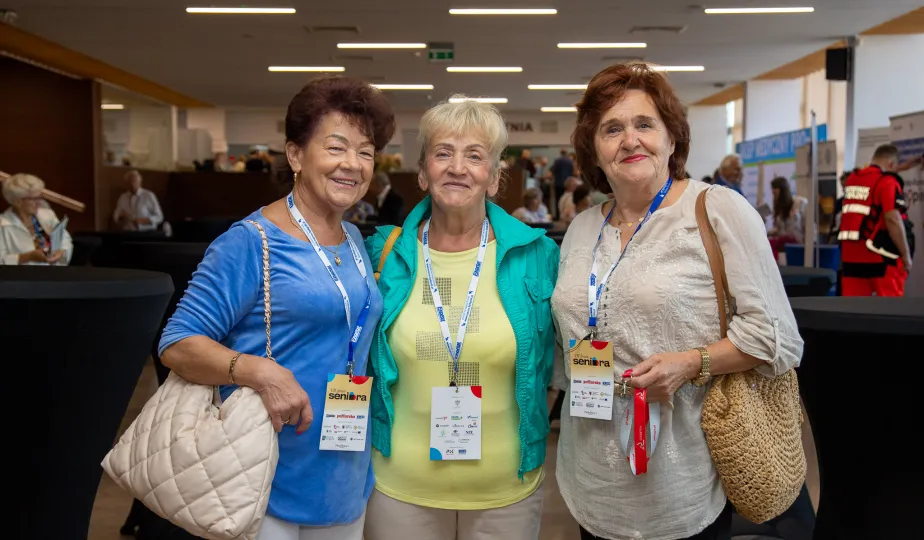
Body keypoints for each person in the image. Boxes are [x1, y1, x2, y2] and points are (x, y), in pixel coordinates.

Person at [552, 62, 803, 540]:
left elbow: (778, 338)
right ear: (594, 150)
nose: (630, 140)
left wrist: (691, 363)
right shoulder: (583, 227)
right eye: (612, 129)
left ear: (672, 138)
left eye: (645, 124)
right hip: (591, 476)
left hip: (683, 475)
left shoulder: (716, 209)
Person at [158, 76, 396, 540]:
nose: (352, 164)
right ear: (295, 155)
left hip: (343, 474)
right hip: (261, 477)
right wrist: (259, 371)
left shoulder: (353, 239)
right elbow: (177, 342)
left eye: (365, 152)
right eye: (336, 147)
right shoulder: (252, 242)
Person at [362, 96, 559, 540]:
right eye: (443, 153)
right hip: (399, 487)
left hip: (506, 489)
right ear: (422, 172)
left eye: (474, 156)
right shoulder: (383, 254)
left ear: (494, 177)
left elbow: (556, 359)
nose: (457, 168)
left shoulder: (537, 255)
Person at [838, 144, 914, 296]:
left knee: (855, 308)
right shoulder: (887, 182)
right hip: (880, 259)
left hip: (851, 258)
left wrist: (900, 167)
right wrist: (906, 256)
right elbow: (892, 219)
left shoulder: (853, 178)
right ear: (891, 164)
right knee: (889, 308)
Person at [0, 173, 72, 265]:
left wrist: (61, 252)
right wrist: (28, 257)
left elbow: (65, 240)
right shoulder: (3, 225)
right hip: (21, 274)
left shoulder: (47, 215)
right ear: (18, 202)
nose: (39, 202)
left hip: (52, 272)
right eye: (34, 199)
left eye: (40, 197)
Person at [767, 176, 806, 257]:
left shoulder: (801, 204)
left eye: (775, 193)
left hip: (798, 245)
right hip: (784, 247)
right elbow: (780, 229)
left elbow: (807, 226)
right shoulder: (779, 209)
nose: (774, 197)